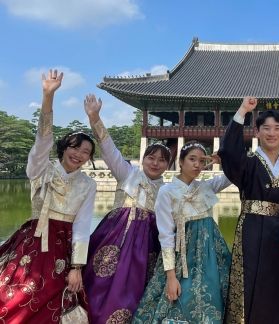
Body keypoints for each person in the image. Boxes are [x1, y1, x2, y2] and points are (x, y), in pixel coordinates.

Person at [0, 70, 97, 323]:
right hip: (33, 241)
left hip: (62, 248)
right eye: (75, 147)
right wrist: (48, 97)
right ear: (64, 147)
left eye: (86, 152)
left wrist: (77, 267)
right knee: (18, 296)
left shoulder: (88, 184)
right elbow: (42, 141)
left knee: (59, 300)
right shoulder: (42, 170)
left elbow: (83, 225)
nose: (79, 154)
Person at [218, 97, 279, 324]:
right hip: (249, 229)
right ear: (257, 132)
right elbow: (229, 152)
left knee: (278, 287)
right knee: (249, 283)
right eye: (266, 128)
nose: (272, 133)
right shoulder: (247, 163)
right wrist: (242, 112)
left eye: (277, 128)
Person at [82, 94, 170, 323]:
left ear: (167, 166)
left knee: (136, 290)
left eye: (162, 160)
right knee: (99, 282)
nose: (155, 163)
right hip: (114, 238)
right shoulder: (127, 174)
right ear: (143, 159)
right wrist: (95, 118)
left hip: (147, 246)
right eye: (151, 157)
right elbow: (108, 148)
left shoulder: (167, 191)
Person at [133, 141, 232, 323]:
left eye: (202, 161)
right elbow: (166, 236)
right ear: (180, 161)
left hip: (211, 257)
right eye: (192, 159)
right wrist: (171, 276)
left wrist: (223, 160)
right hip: (182, 258)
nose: (197, 165)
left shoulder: (206, 187)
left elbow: (232, 175)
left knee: (212, 302)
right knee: (178, 303)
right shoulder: (167, 191)